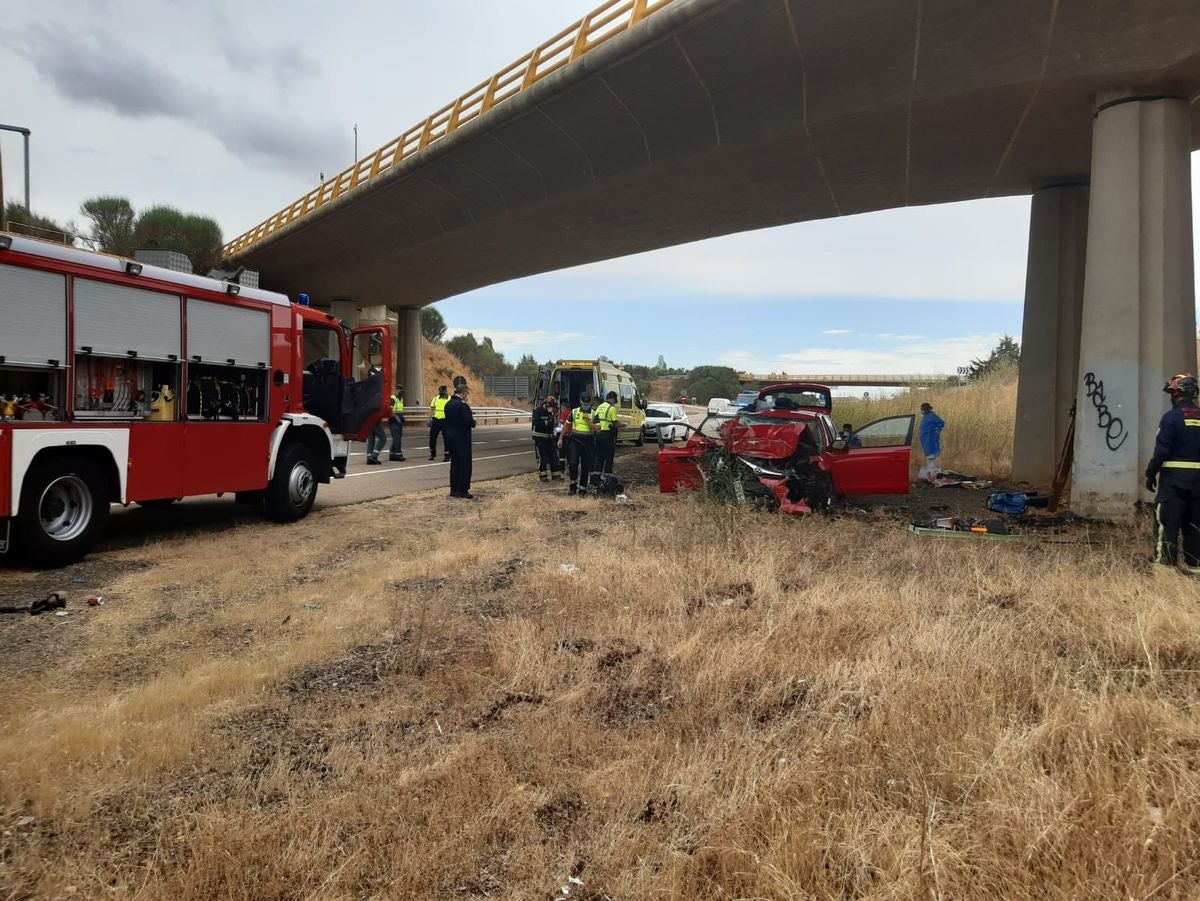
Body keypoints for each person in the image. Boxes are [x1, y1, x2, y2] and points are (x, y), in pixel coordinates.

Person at [1145, 373, 1200, 570]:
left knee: (1167, 523)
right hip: (1198, 484)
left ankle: (1165, 568)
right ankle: (1195, 567)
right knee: (1194, 526)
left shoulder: (1171, 418)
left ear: (1177, 393)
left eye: (1172, 392)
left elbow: (1161, 452)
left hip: (1173, 483)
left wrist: (1150, 473)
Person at [444, 376, 476, 498]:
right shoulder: (463, 406)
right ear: (463, 393)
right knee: (465, 463)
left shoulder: (448, 404)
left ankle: (453, 488)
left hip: (450, 437)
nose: (467, 395)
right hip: (462, 438)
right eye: (466, 393)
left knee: (454, 463)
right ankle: (462, 490)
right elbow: (469, 422)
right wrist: (473, 422)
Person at [559, 390, 597, 496]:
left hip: (588, 442)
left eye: (587, 403)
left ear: (590, 402)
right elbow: (566, 425)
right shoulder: (574, 412)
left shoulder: (594, 413)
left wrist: (589, 421)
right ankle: (573, 486)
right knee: (573, 463)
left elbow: (598, 428)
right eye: (584, 403)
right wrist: (560, 438)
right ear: (580, 402)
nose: (585, 405)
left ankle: (582, 489)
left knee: (585, 466)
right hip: (575, 441)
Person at [591, 390, 620, 493]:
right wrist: (623, 425)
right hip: (607, 435)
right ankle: (608, 479)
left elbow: (596, 419)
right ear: (612, 399)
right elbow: (615, 423)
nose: (614, 402)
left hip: (598, 434)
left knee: (598, 457)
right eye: (614, 400)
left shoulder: (600, 406)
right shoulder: (611, 408)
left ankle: (596, 480)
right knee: (609, 456)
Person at [532, 395, 564, 482]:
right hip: (540, 438)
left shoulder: (550, 412)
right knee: (543, 457)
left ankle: (556, 475)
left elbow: (552, 424)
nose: (551, 408)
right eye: (550, 406)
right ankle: (543, 476)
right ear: (545, 404)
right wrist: (547, 422)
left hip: (549, 438)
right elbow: (537, 423)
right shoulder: (538, 411)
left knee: (553, 457)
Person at [918, 402, 944, 482]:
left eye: (922, 409)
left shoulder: (932, 416)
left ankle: (932, 475)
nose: (921, 411)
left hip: (931, 439)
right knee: (929, 457)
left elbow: (941, 423)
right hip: (926, 439)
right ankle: (930, 474)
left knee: (931, 457)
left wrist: (936, 430)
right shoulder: (926, 417)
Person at [428, 385, 451, 461]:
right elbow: (432, 409)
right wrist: (429, 419)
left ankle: (447, 456)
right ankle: (432, 454)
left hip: (446, 421)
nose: (440, 392)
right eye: (440, 391)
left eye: (442, 391)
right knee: (432, 438)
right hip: (436, 421)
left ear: (446, 391)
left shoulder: (450, 399)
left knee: (447, 439)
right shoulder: (435, 399)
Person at [388, 385, 406, 462]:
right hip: (393, 421)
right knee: (397, 438)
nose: (401, 393)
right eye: (400, 391)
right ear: (396, 390)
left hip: (399, 421)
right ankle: (398, 454)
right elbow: (390, 410)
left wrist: (402, 417)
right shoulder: (393, 398)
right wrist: (397, 417)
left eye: (402, 391)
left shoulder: (400, 398)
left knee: (398, 437)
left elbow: (400, 410)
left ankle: (392, 454)